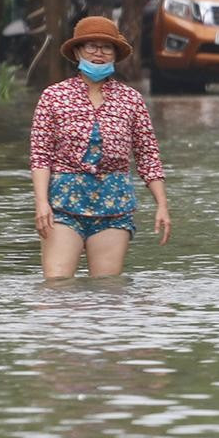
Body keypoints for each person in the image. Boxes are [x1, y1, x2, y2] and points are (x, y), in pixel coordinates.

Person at [29, 16, 170, 278]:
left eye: (106, 47)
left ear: (115, 54)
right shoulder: (53, 97)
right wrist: (41, 203)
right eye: (91, 46)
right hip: (63, 203)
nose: (98, 53)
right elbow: (40, 156)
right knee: (57, 283)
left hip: (114, 203)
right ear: (77, 52)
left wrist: (162, 205)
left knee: (107, 290)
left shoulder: (131, 100)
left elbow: (148, 156)